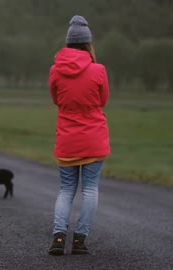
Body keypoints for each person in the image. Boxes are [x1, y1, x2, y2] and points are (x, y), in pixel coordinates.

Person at [48, 15, 110, 256]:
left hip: (67, 139)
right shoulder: (98, 70)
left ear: (68, 43)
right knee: (90, 189)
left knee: (65, 190)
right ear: (88, 43)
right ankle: (80, 240)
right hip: (94, 137)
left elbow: (56, 100)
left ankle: (59, 238)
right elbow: (103, 101)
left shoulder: (56, 70)